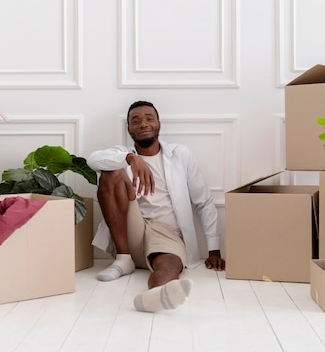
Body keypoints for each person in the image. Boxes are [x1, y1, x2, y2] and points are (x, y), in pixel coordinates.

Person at [88, 101, 225, 313]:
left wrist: (214, 249)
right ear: (129, 129)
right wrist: (130, 158)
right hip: (132, 232)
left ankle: (152, 297)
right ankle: (123, 259)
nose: (143, 124)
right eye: (136, 121)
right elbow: (94, 160)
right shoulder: (122, 153)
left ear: (158, 124)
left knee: (170, 266)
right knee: (112, 172)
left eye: (149, 118)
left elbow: (203, 200)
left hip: (167, 235)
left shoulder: (180, 154)